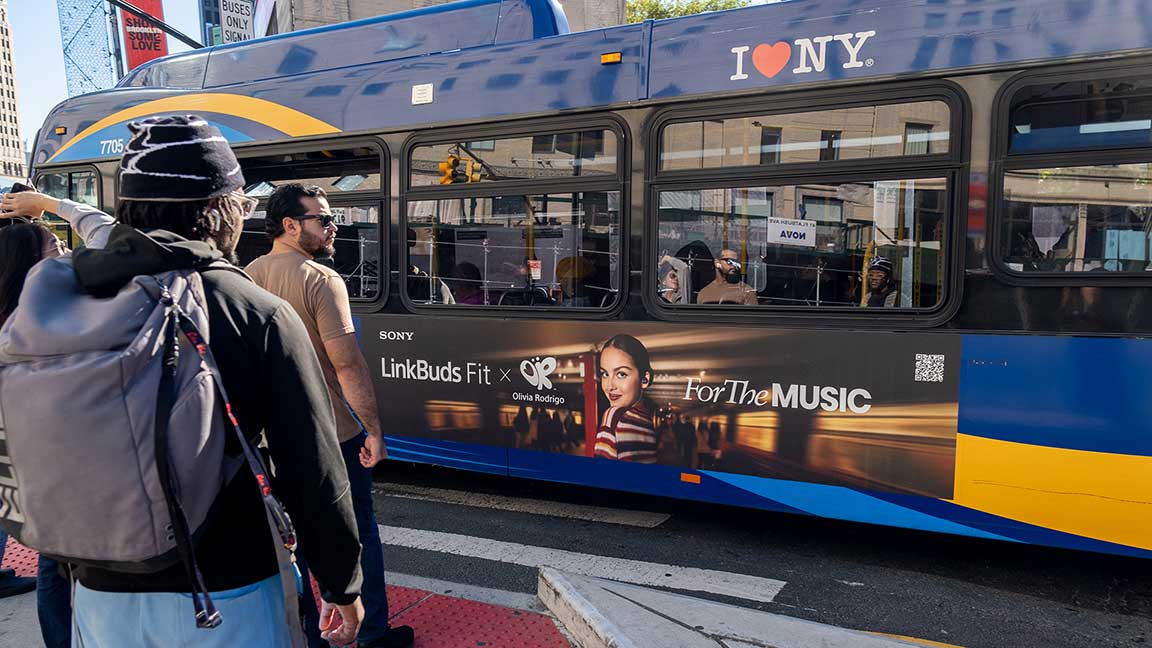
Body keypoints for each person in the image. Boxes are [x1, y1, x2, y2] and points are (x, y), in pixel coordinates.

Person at [3, 116, 367, 647]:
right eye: (241, 202)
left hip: (97, 592)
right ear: (220, 208)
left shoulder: (72, 295)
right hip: (228, 588)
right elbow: (311, 468)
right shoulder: (253, 311)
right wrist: (341, 583)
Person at [246, 183, 415, 648]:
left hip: (272, 438)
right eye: (322, 219)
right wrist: (374, 431)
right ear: (290, 225)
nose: (332, 226)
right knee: (356, 534)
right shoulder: (321, 279)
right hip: (331, 434)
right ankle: (372, 633)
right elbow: (347, 365)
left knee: (293, 539)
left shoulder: (247, 276)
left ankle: (309, 633)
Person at [0, 190, 120, 648]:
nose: (67, 250)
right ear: (31, 268)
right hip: (75, 471)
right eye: (55, 246)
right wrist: (50, 204)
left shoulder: (12, 323)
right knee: (68, 565)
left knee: (53, 561)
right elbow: (112, 237)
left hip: (31, 473)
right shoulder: (60, 318)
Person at [595, 334, 658, 463]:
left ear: (644, 379)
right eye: (605, 374)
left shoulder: (615, 416)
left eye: (621, 374)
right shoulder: (646, 420)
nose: (609, 386)